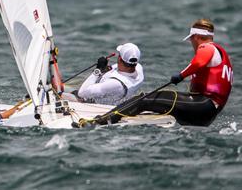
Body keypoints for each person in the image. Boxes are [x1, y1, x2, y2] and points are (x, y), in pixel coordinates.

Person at [84, 19, 233, 127]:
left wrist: (181, 76)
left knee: (143, 99)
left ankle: (100, 122)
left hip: (202, 105)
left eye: (191, 40)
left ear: (195, 37)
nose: (192, 43)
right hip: (208, 114)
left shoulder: (207, 48)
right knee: (157, 105)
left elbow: (198, 62)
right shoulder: (222, 53)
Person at [76, 43, 145, 105]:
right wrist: (105, 69)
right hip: (110, 96)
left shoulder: (115, 83)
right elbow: (119, 67)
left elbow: (82, 93)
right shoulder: (139, 69)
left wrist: (97, 71)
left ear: (120, 59)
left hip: (90, 103)